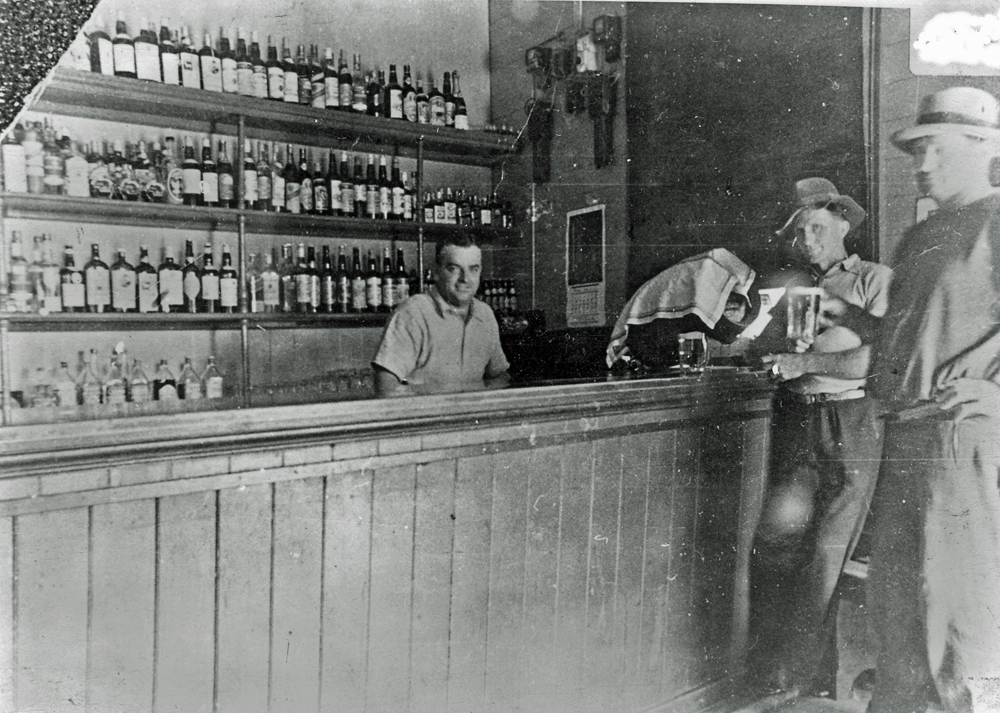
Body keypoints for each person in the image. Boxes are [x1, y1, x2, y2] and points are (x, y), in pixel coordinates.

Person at [822, 86, 1000, 713]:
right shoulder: (919, 237)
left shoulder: (996, 221)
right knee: (895, 607)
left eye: (937, 149)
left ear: (983, 148)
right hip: (900, 437)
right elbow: (912, 338)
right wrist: (853, 321)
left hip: (958, 438)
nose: (922, 164)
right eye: (917, 149)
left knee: (951, 612)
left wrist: (994, 393)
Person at [747, 178, 892, 697]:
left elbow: (878, 361)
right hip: (800, 421)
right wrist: (766, 358)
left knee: (826, 557)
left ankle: (807, 686)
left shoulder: (874, 281)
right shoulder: (794, 289)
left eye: (817, 228)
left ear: (843, 227)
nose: (807, 240)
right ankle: (788, 677)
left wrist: (803, 361)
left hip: (851, 425)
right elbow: (762, 348)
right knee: (777, 543)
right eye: (800, 232)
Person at [371, 234, 510, 397]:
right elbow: (385, 388)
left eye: (473, 269)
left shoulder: (485, 314)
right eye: (454, 268)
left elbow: (500, 376)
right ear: (436, 272)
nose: (465, 279)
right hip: (425, 419)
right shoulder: (413, 312)